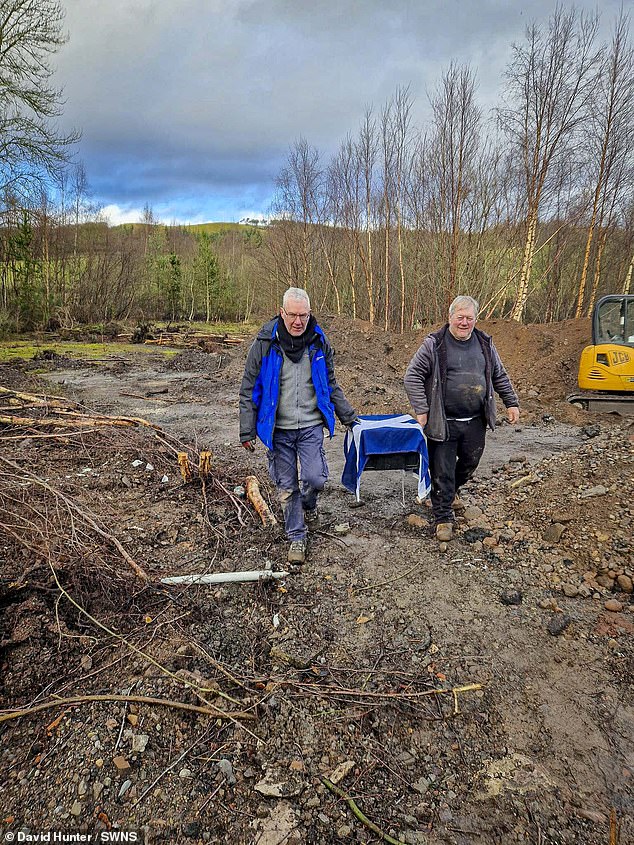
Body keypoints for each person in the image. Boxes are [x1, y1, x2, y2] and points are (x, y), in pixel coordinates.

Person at [239, 287, 358, 564]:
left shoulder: (318, 342)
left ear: (309, 314)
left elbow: (330, 383)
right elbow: (248, 387)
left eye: (303, 315)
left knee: (315, 478)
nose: (297, 321)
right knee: (287, 485)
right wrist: (247, 429)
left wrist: (349, 416)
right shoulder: (265, 342)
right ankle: (296, 536)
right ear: (282, 313)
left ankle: (310, 501)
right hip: (278, 428)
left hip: (310, 425)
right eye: (292, 315)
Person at [404, 295, 520, 542]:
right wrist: (422, 410)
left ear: (475, 320)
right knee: (442, 469)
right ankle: (443, 517)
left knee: (470, 462)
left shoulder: (485, 344)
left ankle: (448, 493)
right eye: (460, 317)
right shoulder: (434, 344)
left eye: (469, 318)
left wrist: (511, 402)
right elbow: (412, 375)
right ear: (450, 318)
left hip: (475, 420)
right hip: (443, 421)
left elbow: (499, 375)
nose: (464, 322)